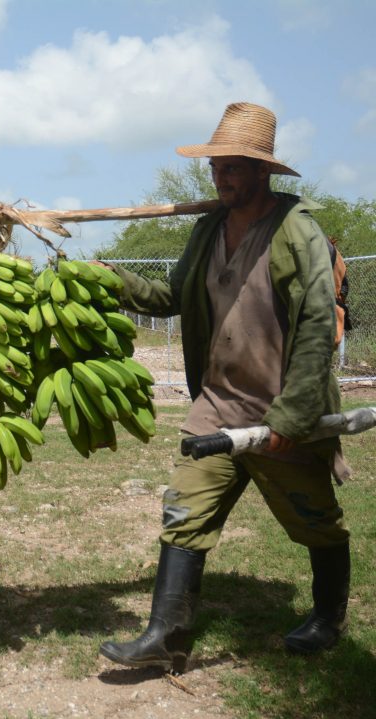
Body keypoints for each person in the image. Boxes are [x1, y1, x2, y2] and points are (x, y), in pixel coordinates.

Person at [97, 103, 351, 673]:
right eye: (217, 168)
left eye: (234, 168)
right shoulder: (208, 228)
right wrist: (114, 281)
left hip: (279, 413)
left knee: (315, 519)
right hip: (216, 407)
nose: (222, 178)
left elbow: (316, 325)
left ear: (263, 172)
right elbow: (173, 296)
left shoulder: (296, 232)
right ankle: (168, 634)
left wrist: (290, 417)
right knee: (184, 512)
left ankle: (329, 616)